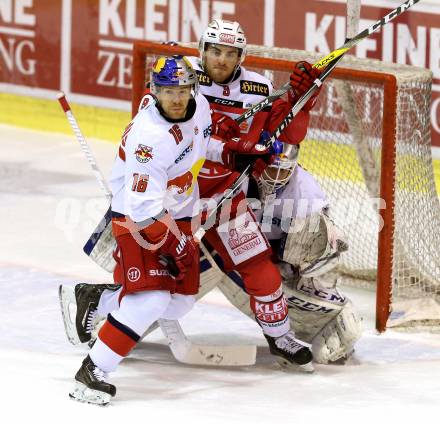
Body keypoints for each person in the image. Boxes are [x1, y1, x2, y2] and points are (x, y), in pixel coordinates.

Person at [62, 20, 321, 378]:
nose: (221, 59)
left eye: (230, 53)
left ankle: (281, 336)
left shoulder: (258, 87)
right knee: (149, 290)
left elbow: (277, 135)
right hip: (174, 202)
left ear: (241, 56)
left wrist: (298, 102)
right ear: (202, 50)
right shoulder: (181, 77)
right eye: (215, 50)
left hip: (225, 197)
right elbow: (158, 131)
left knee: (258, 269)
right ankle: (104, 310)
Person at [67, 55, 271, 405]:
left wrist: (233, 155)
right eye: (167, 91)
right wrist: (175, 244)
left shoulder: (200, 106)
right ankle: (92, 371)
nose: (176, 98)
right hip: (135, 216)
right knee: (152, 299)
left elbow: (201, 143)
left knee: (179, 303)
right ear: (154, 91)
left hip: (177, 209)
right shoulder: (150, 140)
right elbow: (143, 211)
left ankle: (99, 299)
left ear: (193, 89)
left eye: (182, 90)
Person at [202, 139, 362, 364]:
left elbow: (321, 255)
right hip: (233, 254)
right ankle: (140, 319)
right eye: (271, 169)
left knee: (345, 325)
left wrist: (316, 256)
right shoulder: (235, 179)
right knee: (199, 261)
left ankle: (285, 334)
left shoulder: (307, 194)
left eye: (283, 171)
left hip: (279, 266)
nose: (276, 177)